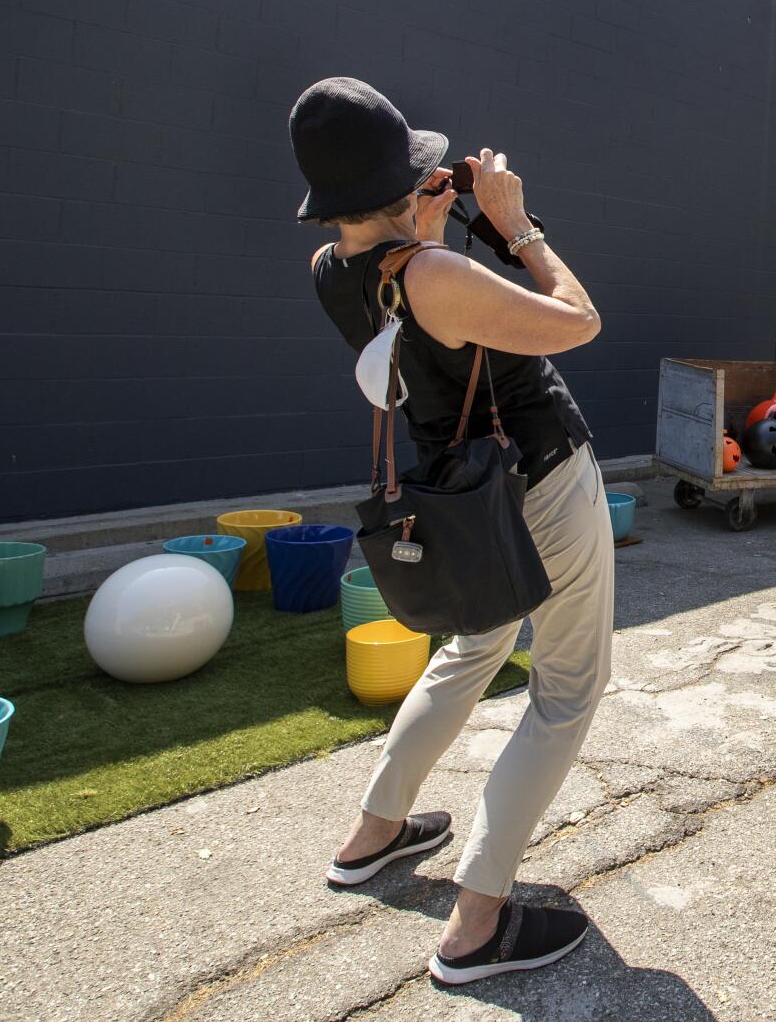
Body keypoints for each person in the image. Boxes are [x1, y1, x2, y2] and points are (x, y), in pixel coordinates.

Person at [291, 76, 611, 986]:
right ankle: (476, 925)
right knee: (566, 690)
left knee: (471, 654)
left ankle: (374, 832)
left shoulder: (337, 273)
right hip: (536, 479)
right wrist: (516, 225)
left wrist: (419, 235)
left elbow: (422, 328)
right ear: (402, 184)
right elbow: (579, 322)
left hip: (457, 498)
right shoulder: (435, 274)